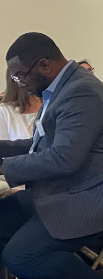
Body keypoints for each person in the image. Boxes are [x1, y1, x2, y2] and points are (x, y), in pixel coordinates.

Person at [0, 32, 103, 279]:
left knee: (22, 256)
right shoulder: (61, 87)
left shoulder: (80, 91)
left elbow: (64, 158)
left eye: (20, 76)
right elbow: (41, 144)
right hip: (73, 188)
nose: (20, 83)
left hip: (93, 198)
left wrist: (5, 169)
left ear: (44, 65)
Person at [0, 69, 42, 198]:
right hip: (15, 190)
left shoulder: (50, 107)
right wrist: (8, 191)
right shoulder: (4, 113)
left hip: (49, 188)